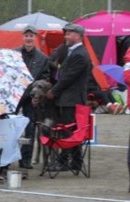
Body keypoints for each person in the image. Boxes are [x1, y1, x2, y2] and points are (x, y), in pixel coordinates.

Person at [45, 23, 92, 171]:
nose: (66, 36)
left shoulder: (79, 54)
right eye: (66, 33)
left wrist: (54, 91)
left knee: (67, 130)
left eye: (69, 34)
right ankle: (76, 162)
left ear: (78, 36)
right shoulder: (72, 51)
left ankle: (64, 161)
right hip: (69, 98)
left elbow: (68, 78)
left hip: (71, 100)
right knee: (72, 130)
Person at [15, 25, 50, 169]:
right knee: (10, 127)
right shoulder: (14, 54)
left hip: (32, 98)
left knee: (30, 128)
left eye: (31, 36)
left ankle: (26, 160)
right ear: (22, 37)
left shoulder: (42, 58)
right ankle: (6, 159)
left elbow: (45, 78)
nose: (29, 38)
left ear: (35, 38)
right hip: (15, 96)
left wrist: (38, 95)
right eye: (26, 36)